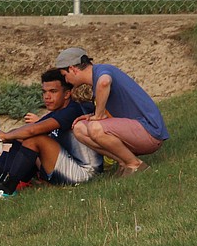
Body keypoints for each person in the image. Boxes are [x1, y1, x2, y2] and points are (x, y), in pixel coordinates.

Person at [0, 69, 103, 204]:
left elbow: (33, 131)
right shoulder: (57, 112)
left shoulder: (72, 110)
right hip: (69, 166)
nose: (47, 97)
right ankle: (0, 185)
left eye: (53, 92)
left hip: (86, 174)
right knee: (20, 137)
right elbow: (25, 131)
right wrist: (8, 136)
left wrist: (6, 135)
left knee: (35, 139)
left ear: (67, 94)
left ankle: (7, 189)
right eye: (44, 92)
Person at [57, 47, 168, 176]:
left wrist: (98, 115)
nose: (66, 80)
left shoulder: (102, 71)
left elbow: (104, 82)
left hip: (150, 133)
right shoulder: (96, 77)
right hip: (136, 130)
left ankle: (135, 165)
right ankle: (124, 163)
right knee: (79, 128)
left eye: (65, 76)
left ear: (72, 69)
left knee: (95, 128)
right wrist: (93, 115)